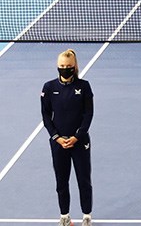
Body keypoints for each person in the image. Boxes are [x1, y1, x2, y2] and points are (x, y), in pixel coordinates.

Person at [41, 49, 94, 226]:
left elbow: (88, 114)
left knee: (83, 180)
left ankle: (86, 216)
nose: (65, 69)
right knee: (61, 181)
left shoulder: (84, 86)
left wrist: (77, 136)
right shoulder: (49, 88)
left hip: (79, 142)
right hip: (58, 143)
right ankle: (65, 217)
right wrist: (56, 137)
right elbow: (46, 115)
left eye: (69, 66)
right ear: (57, 66)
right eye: (62, 66)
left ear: (75, 66)